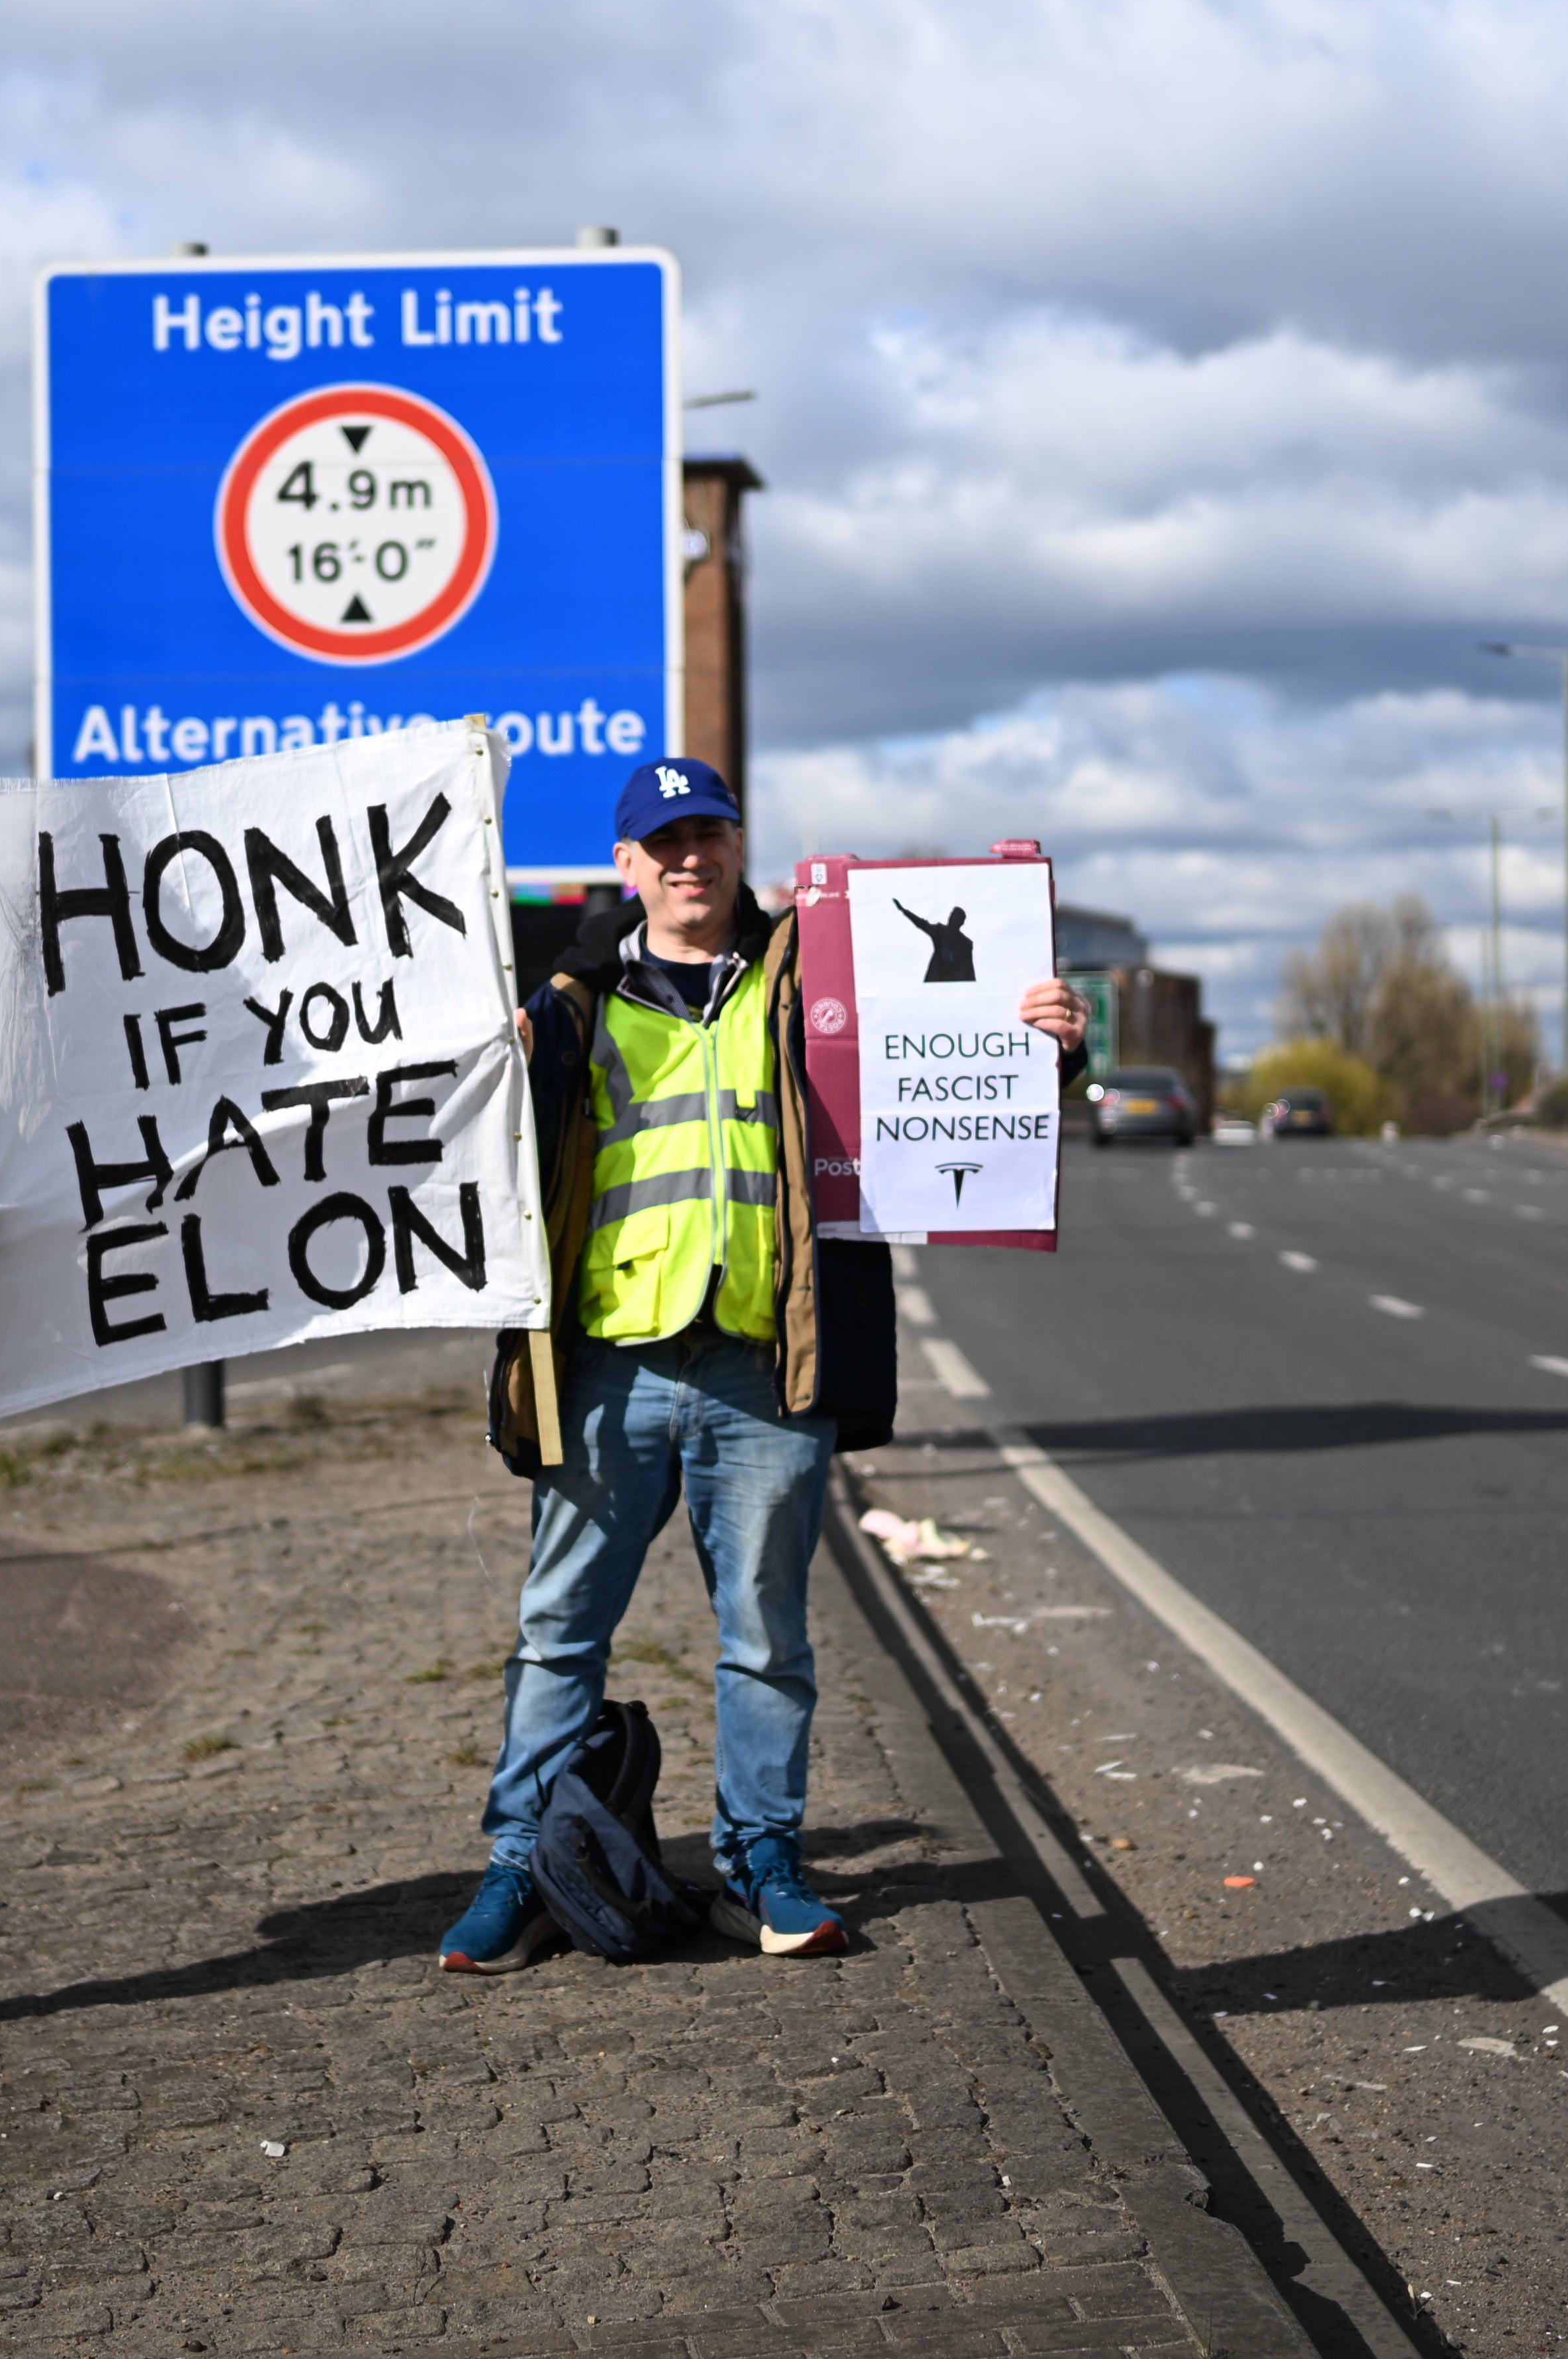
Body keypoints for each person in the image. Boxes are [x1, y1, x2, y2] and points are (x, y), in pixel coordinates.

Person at [445, 763, 1087, 1971]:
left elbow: (942, 1072)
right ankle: (520, 1866)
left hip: (764, 1365)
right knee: (559, 1632)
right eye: (664, 841)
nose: (691, 858)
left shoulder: (825, 977)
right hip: (607, 1370)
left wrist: (1040, 1053)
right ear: (625, 866)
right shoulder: (570, 1004)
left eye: (710, 835)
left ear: (740, 849)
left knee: (766, 1638)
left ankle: (759, 1861)